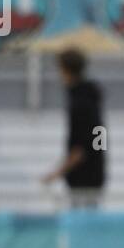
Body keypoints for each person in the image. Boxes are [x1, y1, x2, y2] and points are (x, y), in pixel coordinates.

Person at [42, 49, 106, 208]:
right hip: (94, 172)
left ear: (65, 70)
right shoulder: (91, 97)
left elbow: (82, 146)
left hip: (84, 176)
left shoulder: (80, 102)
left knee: (82, 222)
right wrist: (99, 157)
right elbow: (99, 132)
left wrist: (57, 173)